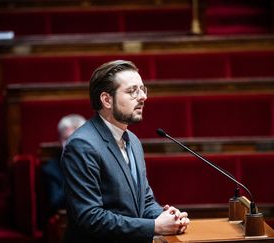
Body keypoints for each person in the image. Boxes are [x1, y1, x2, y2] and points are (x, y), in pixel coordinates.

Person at [60, 60, 190, 243]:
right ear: (106, 99)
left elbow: (144, 201)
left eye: (143, 89)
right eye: (132, 91)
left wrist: (167, 217)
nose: (143, 97)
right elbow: (90, 218)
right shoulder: (82, 145)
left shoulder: (133, 141)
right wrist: (155, 226)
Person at [42, 114, 86, 215]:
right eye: (67, 139)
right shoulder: (51, 169)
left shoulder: (100, 162)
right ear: (60, 141)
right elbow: (55, 203)